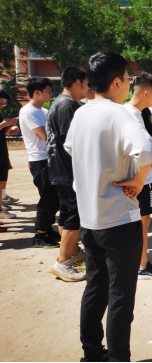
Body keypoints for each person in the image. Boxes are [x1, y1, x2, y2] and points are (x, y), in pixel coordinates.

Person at [64, 51, 152, 362]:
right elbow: (146, 150)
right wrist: (139, 181)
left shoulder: (81, 113)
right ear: (116, 82)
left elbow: (70, 148)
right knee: (120, 295)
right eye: (128, 79)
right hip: (119, 219)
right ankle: (118, 358)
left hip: (89, 220)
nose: (128, 84)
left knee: (95, 287)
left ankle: (91, 353)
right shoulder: (120, 114)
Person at [46, 67, 90, 281]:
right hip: (68, 169)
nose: (88, 88)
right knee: (75, 213)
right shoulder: (68, 105)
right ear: (78, 82)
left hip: (59, 169)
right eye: (87, 84)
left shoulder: (60, 102)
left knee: (66, 212)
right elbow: (72, 142)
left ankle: (71, 252)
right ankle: (63, 262)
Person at [124, 72, 152, 279]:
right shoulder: (128, 114)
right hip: (137, 180)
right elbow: (143, 150)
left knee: (144, 222)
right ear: (146, 93)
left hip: (143, 178)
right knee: (140, 224)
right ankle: (142, 265)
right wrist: (139, 179)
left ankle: (140, 262)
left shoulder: (140, 113)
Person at [20, 77, 62, 247]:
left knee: (54, 198)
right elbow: (46, 136)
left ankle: (48, 229)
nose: (51, 94)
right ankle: (40, 235)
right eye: (48, 90)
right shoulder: (28, 111)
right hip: (40, 160)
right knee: (47, 198)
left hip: (49, 158)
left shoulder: (43, 111)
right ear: (37, 92)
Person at [0, 89, 20, 211]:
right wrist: (4, 123)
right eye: (0, 103)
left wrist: (9, 126)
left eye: (3, 104)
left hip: (2, 151)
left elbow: (3, 133)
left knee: (2, 179)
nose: (2, 106)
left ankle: (2, 200)